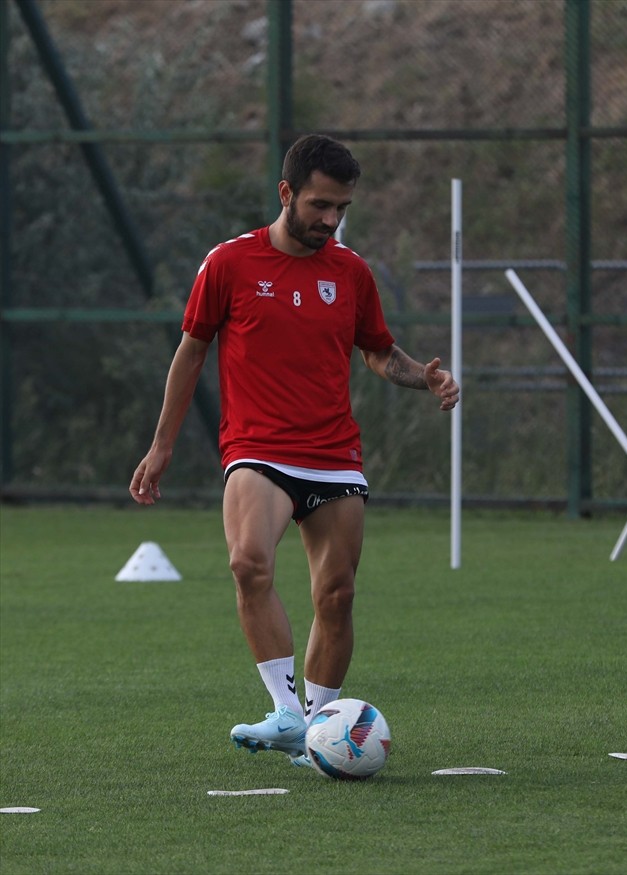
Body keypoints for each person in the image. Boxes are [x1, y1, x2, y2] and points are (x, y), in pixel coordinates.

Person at [129, 134, 459, 765]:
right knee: (249, 562)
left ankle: (314, 731)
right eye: (319, 205)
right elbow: (192, 350)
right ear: (286, 193)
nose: (330, 221)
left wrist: (428, 378)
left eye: (341, 209)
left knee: (336, 595)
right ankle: (284, 710)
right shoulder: (228, 263)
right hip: (258, 449)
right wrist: (162, 445)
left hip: (334, 453)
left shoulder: (351, 271)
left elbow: (379, 353)